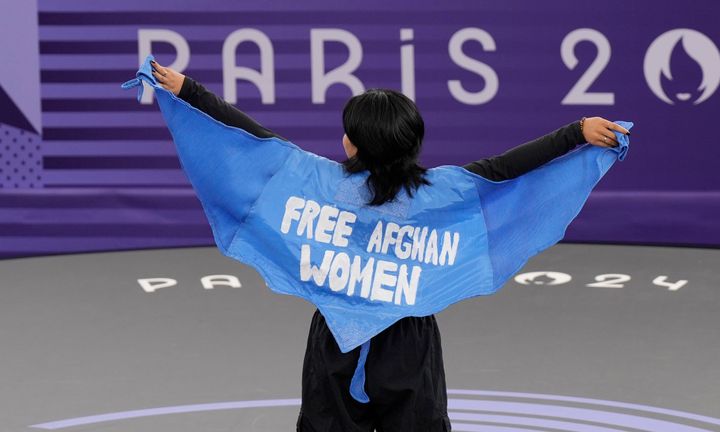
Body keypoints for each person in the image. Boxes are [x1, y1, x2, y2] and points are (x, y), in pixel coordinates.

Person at [148, 59, 630, 432]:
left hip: (335, 343)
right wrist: (576, 133)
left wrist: (188, 92)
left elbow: (248, 138)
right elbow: (510, 168)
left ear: (351, 144)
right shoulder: (444, 192)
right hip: (410, 346)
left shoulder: (312, 182)